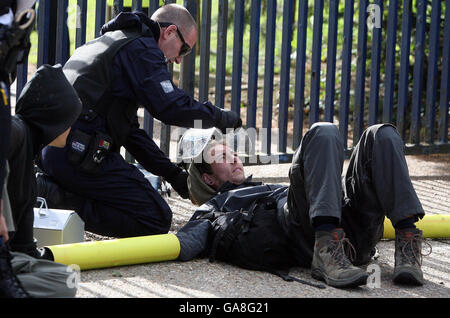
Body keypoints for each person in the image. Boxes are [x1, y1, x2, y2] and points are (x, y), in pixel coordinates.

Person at [37, 4, 242, 239]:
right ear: (170, 32)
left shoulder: (116, 42)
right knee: (155, 218)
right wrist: (218, 117)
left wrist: (174, 176)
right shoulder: (141, 49)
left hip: (57, 153)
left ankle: (52, 189)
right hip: (76, 155)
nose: (177, 60)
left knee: (144, 205)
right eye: (184, 50)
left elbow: (130, 133)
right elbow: (170, 106)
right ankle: (51, 195)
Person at [176, 122, 431, 288]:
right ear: (208, 178)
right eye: (221, 157)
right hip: (308, 236)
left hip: (356, 234)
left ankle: (407, 246)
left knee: (381, 134)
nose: (233, 157)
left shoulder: (264, 186)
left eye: (230, 151)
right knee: (324, 131)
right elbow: (190, 237)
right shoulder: (220, 204)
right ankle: (327, 250)